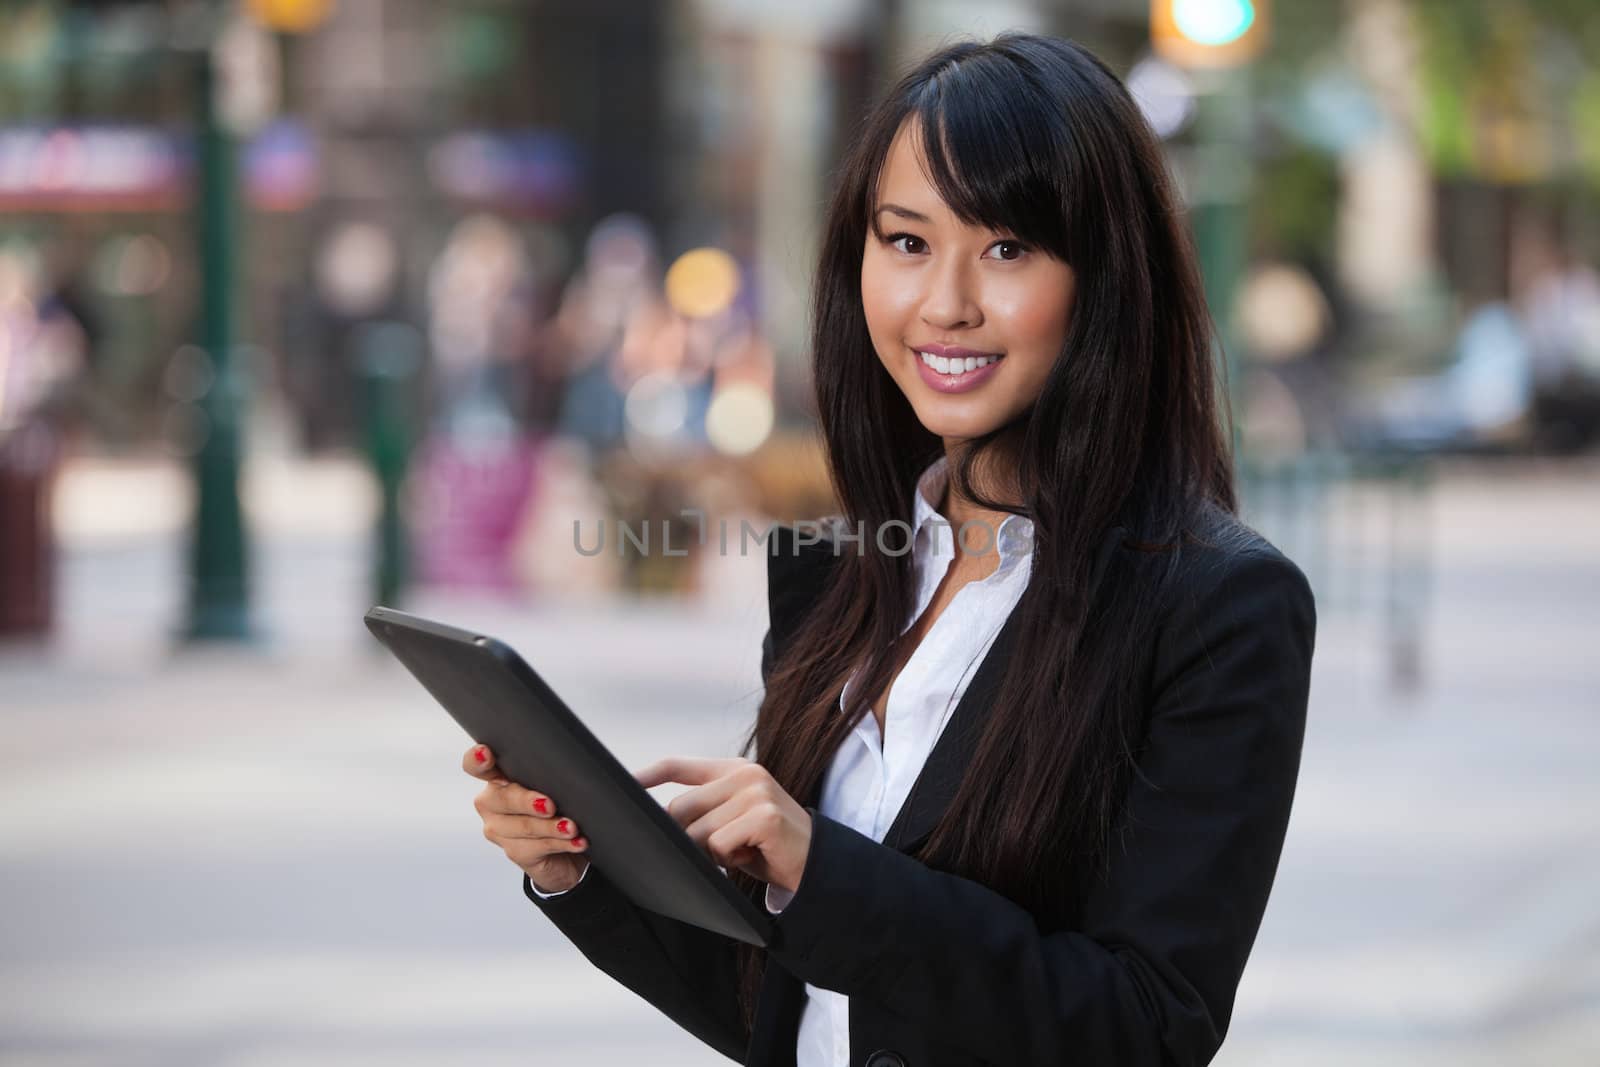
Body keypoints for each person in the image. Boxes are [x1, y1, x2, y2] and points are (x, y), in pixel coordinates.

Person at [465, 32, 1316, 1067]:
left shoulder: (1218, 606)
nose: (944, 301)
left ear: (1106, 276)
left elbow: (1142, 1025)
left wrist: (820, 868)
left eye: (1006, 247)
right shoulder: (840, 574)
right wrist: (582, 864)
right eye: (906, 241)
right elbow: (791, 1007)